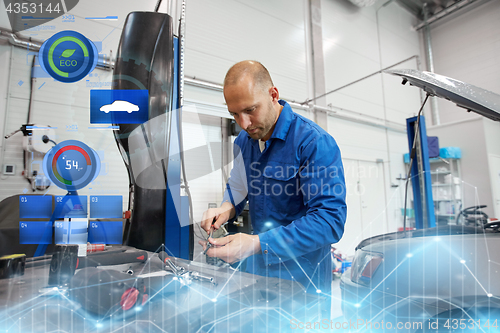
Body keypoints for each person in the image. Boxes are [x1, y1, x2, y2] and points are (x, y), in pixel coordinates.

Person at [199, 60, 347, 302]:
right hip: (256, 275)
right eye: (234, 114)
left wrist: (256, 244)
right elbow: (238, 186)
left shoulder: (313, 143)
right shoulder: (244, 142)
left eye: (250, 110)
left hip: (302, 282)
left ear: (273, 94)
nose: (243, 124)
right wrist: (224, 209)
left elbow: (330, 221)